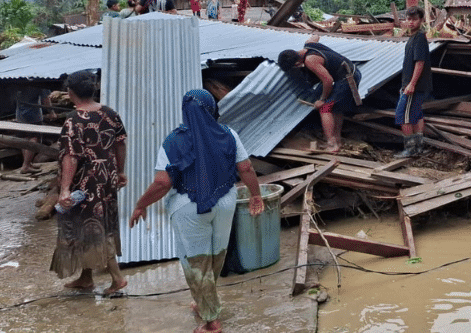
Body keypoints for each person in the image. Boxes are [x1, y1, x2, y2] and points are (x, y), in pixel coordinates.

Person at [130, 89, 264, 333]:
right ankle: (204, 300)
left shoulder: (173, 140)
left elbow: (162, 183)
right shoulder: (228, 134)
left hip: (188, 208)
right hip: (225, 202)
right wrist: (256, 195)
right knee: (216, 253)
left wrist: (141, 204)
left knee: (196, 260)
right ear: (212, 108)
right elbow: (245, 167)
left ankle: (211, 322)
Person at [50, 70, 128, 295]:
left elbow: (70, 156)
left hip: (84, 185)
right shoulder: (110, 113)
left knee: (93, 229)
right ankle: (86, 277)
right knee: (98, 224)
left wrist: (65, 189)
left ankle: (117, 278)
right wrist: (120, 171)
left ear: (70, 92)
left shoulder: (73, 121)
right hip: (107, 178)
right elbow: (121, 143)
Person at [278, 37, 362, 153]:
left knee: (325, 108)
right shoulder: (309, 44)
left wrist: (322, 100)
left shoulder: (310, 60)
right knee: (336, 108)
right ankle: (337, 140)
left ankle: (332, 145)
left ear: (297, 64)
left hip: (347, 78)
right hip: (346, 73)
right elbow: (315, 36)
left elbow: (327, 80)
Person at [394, 6, 432, 158]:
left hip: (414, 86)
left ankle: (410, 149)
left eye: (414, 19)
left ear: (421, 20)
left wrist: (411, 84)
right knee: (416, 115)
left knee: (402, 115)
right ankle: (419, 147)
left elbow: (420, 62)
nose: (411, 22)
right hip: (412, 85)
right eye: (408, 19)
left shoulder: (419, 38)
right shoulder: (413, 37)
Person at [14, 86, 50, 173]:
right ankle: (26, 165)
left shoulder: (19, 80)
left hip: (20, 115)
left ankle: (27, 163)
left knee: (25, 139)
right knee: (34, 138)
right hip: (33, 115)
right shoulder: (40, 82)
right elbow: (46, 100)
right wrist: (51, 112)